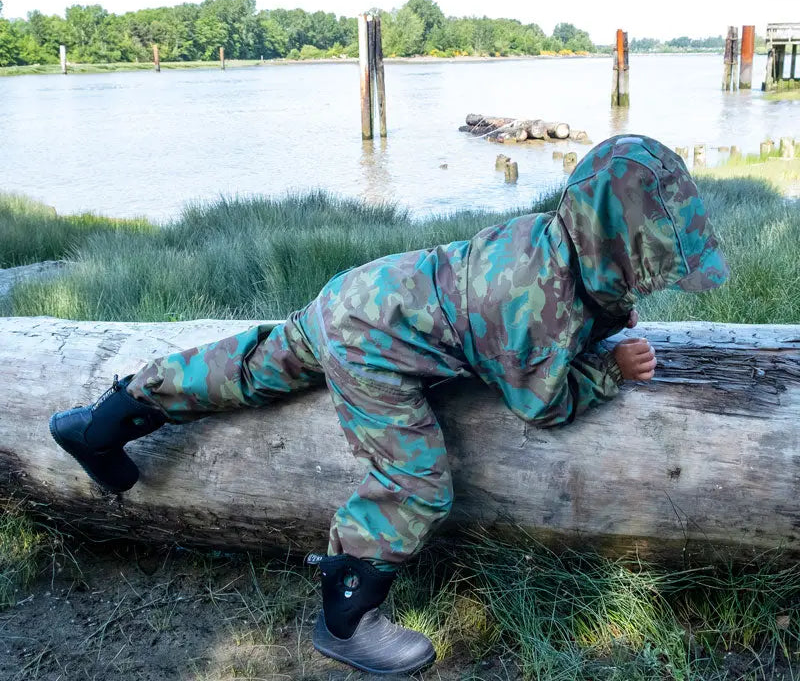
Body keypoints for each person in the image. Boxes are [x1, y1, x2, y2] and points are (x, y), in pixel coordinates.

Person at [49, 134, 729, 675]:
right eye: (647, 262)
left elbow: (579, 302)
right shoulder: (536, 306)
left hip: (357, 293)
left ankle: (101, 423)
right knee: (418, 484)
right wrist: (608, 369)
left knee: (252, 367)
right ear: (612, 243)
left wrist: (605, 319)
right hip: (372, 344)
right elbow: (542, 403)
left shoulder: (551, 240)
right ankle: (345, 618)